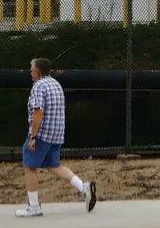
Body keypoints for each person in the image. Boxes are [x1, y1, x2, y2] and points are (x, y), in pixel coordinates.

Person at [15, 57, 98, 217]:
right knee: (54, 165)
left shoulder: (38, 86)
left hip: (42, 134)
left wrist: (33, 136)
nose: (30, 73)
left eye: (31, 70)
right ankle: (83, 187)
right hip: (57, 134)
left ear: (37, 72)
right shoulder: (55, 84)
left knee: (29, 167)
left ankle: (33, 207)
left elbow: (38, 111)